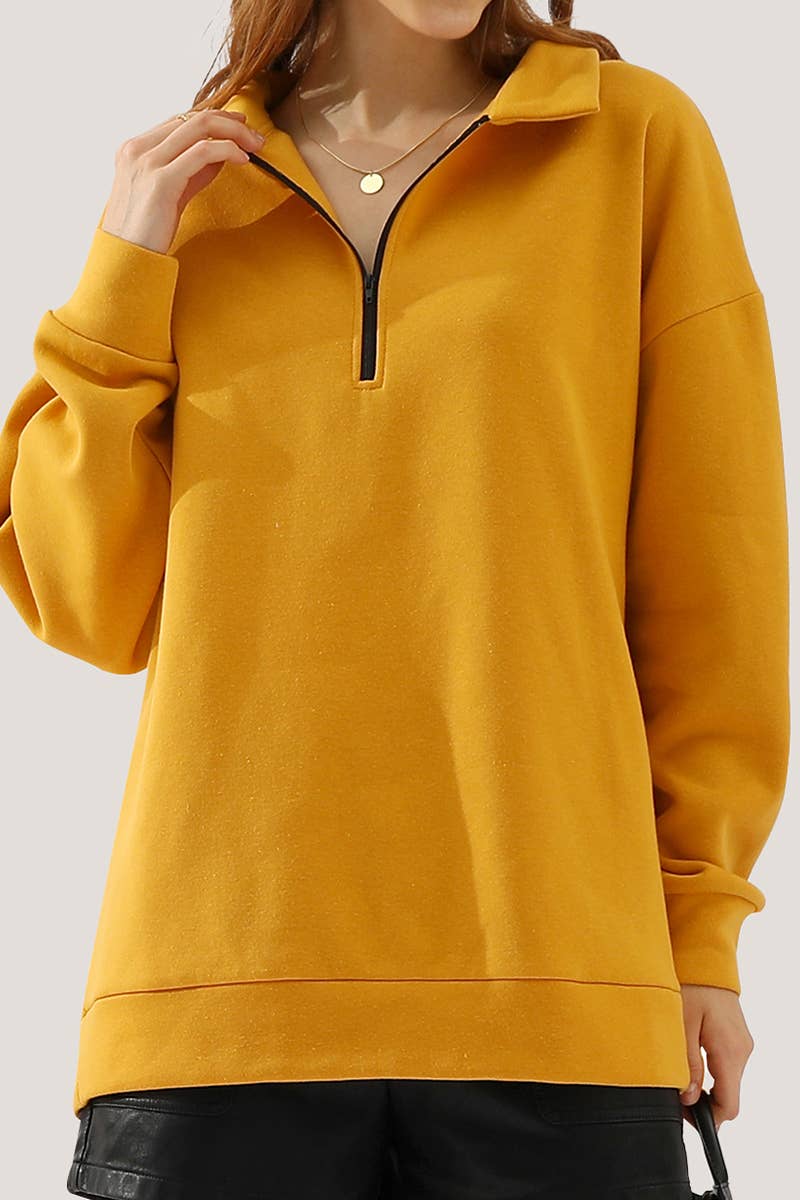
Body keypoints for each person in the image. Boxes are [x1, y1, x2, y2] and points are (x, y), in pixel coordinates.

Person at [0, 1, 789, 1197]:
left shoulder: (628, 140)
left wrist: (699, 931)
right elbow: (82, 604)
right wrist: (122, 273)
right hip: (215, 1006)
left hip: (557, 993)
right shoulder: (194, 187)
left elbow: (712, 577)